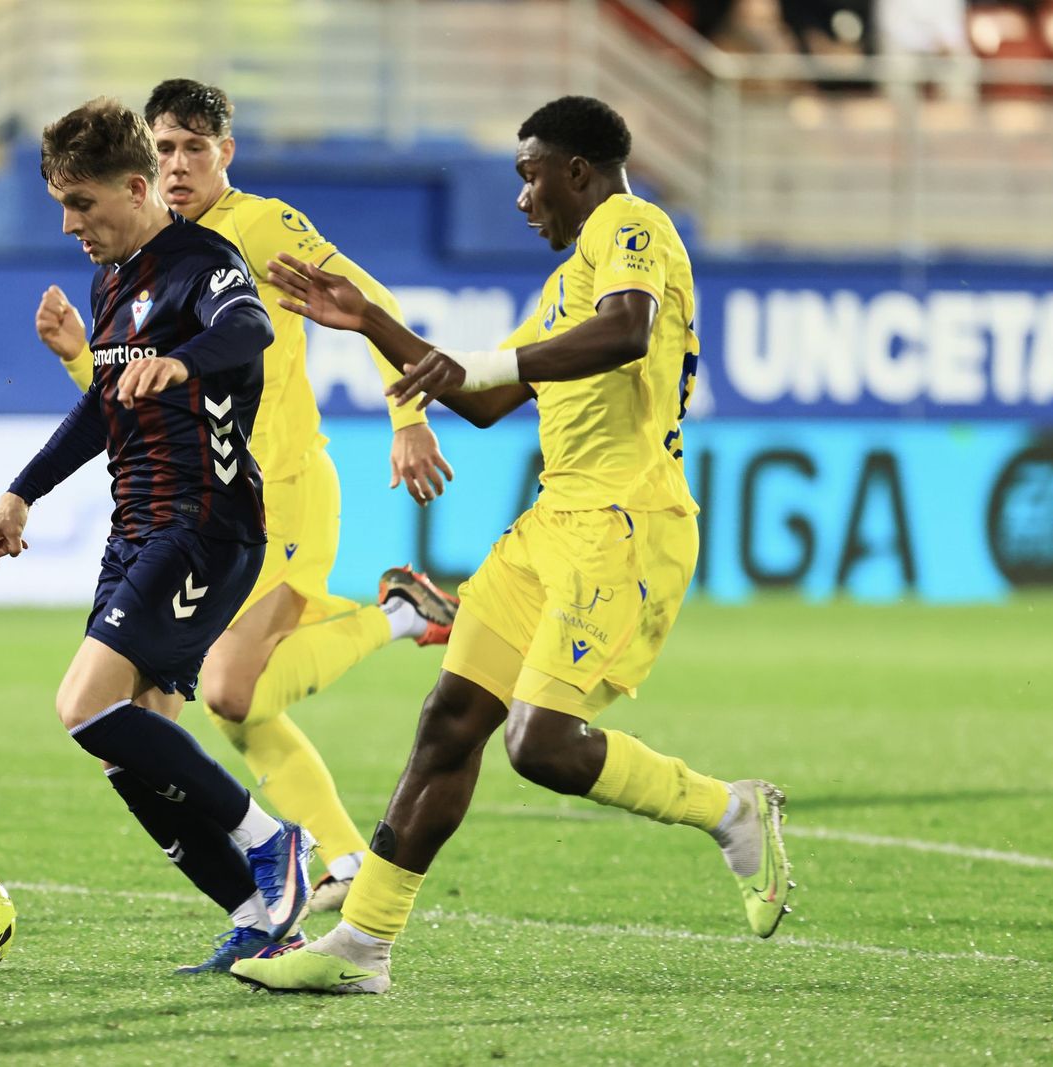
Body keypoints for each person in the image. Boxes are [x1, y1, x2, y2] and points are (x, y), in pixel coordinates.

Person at [231, 96, 793, 995]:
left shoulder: (633, 225)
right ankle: (364, 945)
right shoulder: (566, 283)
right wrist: (370, 322)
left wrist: (494, 363)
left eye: (531, 177)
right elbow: (485, 397)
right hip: (550, 525)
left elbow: (627, 331)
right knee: (450, 723)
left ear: (577, 170)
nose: (523, 199)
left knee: (541, 746)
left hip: (624, 525)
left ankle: (731, 808)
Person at [34, 78, 460, 918]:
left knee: (231, 691)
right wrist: (84, 363)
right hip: (205, 506)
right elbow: (142, 400)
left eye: (197, 148)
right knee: (207, 716)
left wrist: (407, 415)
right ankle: (334, 862)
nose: (179, 164)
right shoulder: (138, 259)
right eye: (165, 148)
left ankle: (400, 615)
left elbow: (369, 304)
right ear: (142, 164)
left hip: (285, 497)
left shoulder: (261, 228)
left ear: (225, 154)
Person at [0, 97, 315, 975]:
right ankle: (259, 915)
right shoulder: (111, 282)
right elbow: (103, 403)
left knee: (82, 705)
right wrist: (22, 494)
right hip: (137, 531)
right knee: (133, 748)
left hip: (205, 527)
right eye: (61, 205)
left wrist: (186, 358)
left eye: (82, 204)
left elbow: (251, 328)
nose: (70, 224)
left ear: (135, 186)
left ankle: (274, 841)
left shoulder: (203, 261)